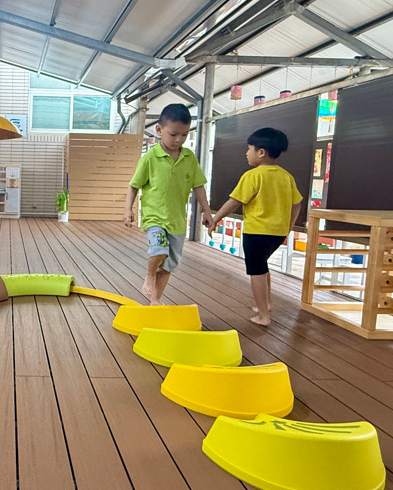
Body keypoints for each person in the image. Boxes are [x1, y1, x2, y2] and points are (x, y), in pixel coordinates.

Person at [207, 127, 303, 327]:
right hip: (277, 233)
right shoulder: (286, 176)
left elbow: (234, 201)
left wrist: (216, 219)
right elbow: (297, 204)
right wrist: (289, 226)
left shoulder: (253, 176)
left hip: (257, 232)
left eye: (249, 148)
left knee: (256, 271)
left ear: (261, 152)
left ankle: (263, 316)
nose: (246, 153)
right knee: (262, 266)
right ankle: (266, 304)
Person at [123, 103, 214, 305]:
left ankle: (155, 300)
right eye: (173, 134)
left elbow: (198, 186)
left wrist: (207, 211)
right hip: (155, 217)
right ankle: (149, 275)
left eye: (184, 134)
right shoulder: (150, 157)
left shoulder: (189, 158)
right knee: (160, 249)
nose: (179, 139)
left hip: (177, 222)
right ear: (159, 130)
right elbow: (134, 185)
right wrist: (128, 209)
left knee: (169, 265)